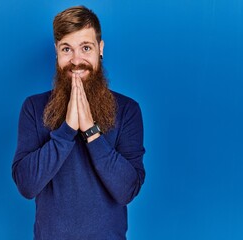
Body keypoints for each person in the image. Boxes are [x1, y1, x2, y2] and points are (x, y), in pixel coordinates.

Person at [12, 5, 145, 240]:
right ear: (56, 52)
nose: (76, 60)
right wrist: (67, 131)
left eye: (86, 48)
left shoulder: (128, 110)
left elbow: (127, 190)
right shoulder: (33, 108)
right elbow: (26, 185)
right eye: (67, 49)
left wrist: (92, 133)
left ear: (100, 49)